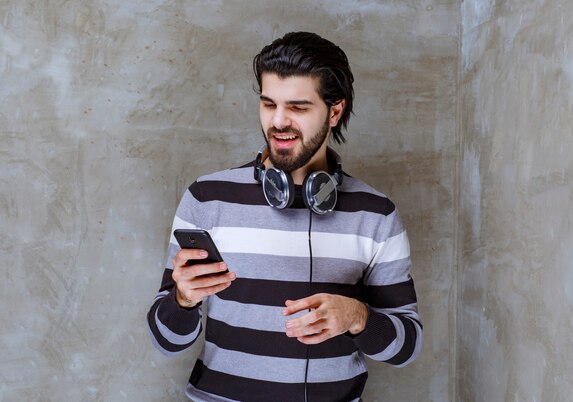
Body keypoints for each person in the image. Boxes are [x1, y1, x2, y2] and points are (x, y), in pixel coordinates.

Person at [147, 31, 423, 402]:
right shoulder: (207, 198)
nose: (278, 121)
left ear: (335, 111)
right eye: (268, 104)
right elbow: (165, 341)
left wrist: (358, 318)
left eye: (297, 107)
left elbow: (408, 346)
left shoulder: (376, 214)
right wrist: (183, 299)